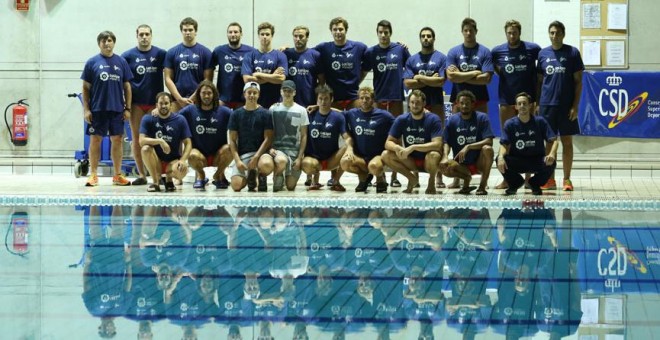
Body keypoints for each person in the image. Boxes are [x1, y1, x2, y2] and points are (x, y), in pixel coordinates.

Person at [491, 19, 541, 189]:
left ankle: (528, 178)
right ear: (506, 33)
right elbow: (492, 66)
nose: (512, 36)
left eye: (515, 33)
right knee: (507, 139)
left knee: (531, 138)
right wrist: (501, 73)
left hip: (528, 100)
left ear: (520, 33)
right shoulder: (498, 51)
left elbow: (541, 70)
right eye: (509, 33)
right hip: (506, 99)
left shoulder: (532, 49)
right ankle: (508, 179)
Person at [81, 30, 133, 187]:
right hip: (97, 109)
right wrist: (86, 109)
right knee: (95, 140)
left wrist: (128, 108)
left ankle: (117, 175)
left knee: (117, 140)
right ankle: (94, 174)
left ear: (114, 43)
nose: (106, 43)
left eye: (109, 40)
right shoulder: (92, 62)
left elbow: (127, 87)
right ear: (99, 44)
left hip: (117, 109)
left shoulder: (121, 62)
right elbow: (85, 87)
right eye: (103, 40)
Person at [537, 20, 584, 191]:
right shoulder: (542, 54)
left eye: (557, 33)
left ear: (563, 34)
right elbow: (539, 82)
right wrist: (537, 103)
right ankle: (550, 179)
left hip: (565, 106)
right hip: (546, 106)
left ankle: (567, 179)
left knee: (567, 142)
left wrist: (575, 106)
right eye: (551, 33)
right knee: (549, 143)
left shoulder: (572, 53)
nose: (554, 36)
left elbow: (578, 82)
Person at [121, 24, 167, 186]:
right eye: (141, 34)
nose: (144, 37)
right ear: (137, 36)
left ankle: (159, 174)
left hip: (155, 105)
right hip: (136, 105)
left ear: (151, 35)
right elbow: (123, 83)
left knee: (157, 139)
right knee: (137, 139)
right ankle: (141, 174)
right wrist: (125, 105)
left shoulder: (161, 54)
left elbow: (170, 75)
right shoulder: (127, 56)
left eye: (147, 34)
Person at [403, 26, 448, 188]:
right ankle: (414, 175)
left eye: (429, 36)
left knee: (438, 138)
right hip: (415, 104)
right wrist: (431, 79)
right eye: (423, 36)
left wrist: (419, 77)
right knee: (414, 136)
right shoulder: (412, 60)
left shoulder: (441, 58)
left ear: (433, 39)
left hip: (435, 103)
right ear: (420, 39)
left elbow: (441, 81)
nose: (426, 38)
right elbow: (408, 83)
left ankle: (439, 177)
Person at [382, 90, 443, 194]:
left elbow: (437, 145)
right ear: (409, 103)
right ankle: (411, 179)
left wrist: (413, 147)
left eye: (418, 103)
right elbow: (388, 143)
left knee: (434, 155)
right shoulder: (402, 119)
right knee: (385, 155)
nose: (415, 105)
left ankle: (431, 182)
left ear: (424, 104)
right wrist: (397, 148)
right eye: (412, 102)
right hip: (410, 160)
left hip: (428, 161)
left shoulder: (433, 119)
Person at [497, 92, 558, 195]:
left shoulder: (540, 122)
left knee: (552, 163)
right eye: (519, 104)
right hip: (517, 161)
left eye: (524, 103)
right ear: (515, 107)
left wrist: (551, 154)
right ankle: (515, 183)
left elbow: (554, 141)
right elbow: (504, 144)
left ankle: (534, 183)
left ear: (530, 105)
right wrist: (500, 157)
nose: (522, 106)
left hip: (536, 160)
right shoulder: (510, 124)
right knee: (499, 160)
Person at [177, 80, 233, 190]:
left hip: (219, 155)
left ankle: (219, 175)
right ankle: (201, 175)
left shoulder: (225, 112)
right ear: (199, 94)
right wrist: (157, 111)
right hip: (199, 156)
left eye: (209, 93)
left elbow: (240, 117)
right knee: (191, 154)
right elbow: (173, 119)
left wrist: (255, 107)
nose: (206, 96)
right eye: (203, 93)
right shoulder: (190, 110)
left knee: (230, 148)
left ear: (214, 95)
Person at [341, 87, 394, 193]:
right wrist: (317, 107)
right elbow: (334, 113)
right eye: (362, 98)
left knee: (374, 166)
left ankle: (380, 179)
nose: (364, 101)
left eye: (367, 98)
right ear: (358, 100)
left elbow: (400, 122)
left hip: (377, 157)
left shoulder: (384, 115)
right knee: (345, 163)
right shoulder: (352, 114)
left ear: (373, 100)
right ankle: (363, 177)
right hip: (360, 157)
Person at [440, 90, 494, 195]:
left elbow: (489, 141)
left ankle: (482, 186)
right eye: (462, 103)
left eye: (467, 103)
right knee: (444, 167)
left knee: (488, 149)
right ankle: (466, 179)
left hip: (479, 163)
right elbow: (446, 142)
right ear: (457, 104)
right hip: (461, 165)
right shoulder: (452, 120)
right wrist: (445, 156)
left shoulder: (482, 118)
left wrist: (468, 146)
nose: (464, 106)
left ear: (473, 104)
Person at [139, 92, 192, 192]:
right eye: (161, 103)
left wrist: (183, 160)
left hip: (172, 162)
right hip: (155, 161)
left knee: (183, 171)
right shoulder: (148, 119)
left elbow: (188, 143)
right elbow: (141, 141)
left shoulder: (180, 120)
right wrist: (160, 141)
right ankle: (155, 182)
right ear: (156, 105)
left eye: (166, 103)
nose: (163, 106)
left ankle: (169, 179)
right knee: (145, 149)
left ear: (171, 105)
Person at [228, 82, 275, 192]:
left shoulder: (266, 113)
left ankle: (259, 175)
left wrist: (256, 157)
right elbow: (232, 140)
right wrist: (238, 161)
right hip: (243, 154)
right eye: (249, 92)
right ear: (244, 94)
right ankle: (251, 175)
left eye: (255, 93)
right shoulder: (236, 114)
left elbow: (268, 138)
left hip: (261, 154)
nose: (252, 95)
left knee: (266, 164)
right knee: (236, 186)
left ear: (258, 95)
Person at [302, 84, 349, 191]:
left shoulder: (338, 117)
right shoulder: (309, 114)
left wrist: (350, 147)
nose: (323, 101)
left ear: (331, 99)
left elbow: (347, 137)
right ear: (317, 100)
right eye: (320, 99)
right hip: (313, 160)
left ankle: (336, 181)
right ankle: (315, 181)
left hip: (331, 160)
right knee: (306, 164)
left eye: (326, 98)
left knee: (349, 145)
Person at [314, 17, 368, 110]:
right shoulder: (323, 48)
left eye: (340, 29)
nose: (338, 32)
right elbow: (305, 53)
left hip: (353, 98)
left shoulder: (359, 47)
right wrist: (286, 49)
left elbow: (376, 54)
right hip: (333, 99)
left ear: (346, 30)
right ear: (331, 31)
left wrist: (398, 47)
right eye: (335, 29)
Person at [164, 17, 213, 112]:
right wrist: (179, 99)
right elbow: (167, 78)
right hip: (176, 101)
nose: (187, 32)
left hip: (198, 100)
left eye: (190, 30)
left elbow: (208, 80)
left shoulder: (205, 52)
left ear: (196, 31)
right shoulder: (172, 52)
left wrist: (193, 97)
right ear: (181, 32)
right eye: (185, 30)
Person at [267, 80, 309, 192]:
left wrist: (300, 157)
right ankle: (278, 174)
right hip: (278, 150)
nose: (287, 93)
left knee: (290, 187)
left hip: (294, 151)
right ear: (281, 92)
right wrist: (270, 147)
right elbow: (269, 132)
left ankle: (285, 176)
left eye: (290, 91)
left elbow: (304, 136)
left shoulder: (302, 110)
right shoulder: (273, 109)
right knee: (281, 161)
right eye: (285, 91)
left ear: (294, 92)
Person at [446, 18, 493, 113]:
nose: (468, 33)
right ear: (462, 32)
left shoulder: (485, 51)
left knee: (481, 127)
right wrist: (475, 73)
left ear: (476, 31)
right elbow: (451, 76)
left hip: (479, 99)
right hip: (458, 100)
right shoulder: (453, 52)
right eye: (465, 30)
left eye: (471, 30)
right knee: (457, 127)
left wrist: (460, 75)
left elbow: (486, 79)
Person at [364, 19, 410, 117]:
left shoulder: (400, 49)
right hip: (379, 96)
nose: (383, 35)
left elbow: (411, 68)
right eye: (380, 32)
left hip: (396, 97)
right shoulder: (371, 52)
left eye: (386, 32)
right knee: (379, 127)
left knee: (397, 127)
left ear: (390, 33)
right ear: (377, 33)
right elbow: (362, 71)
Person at [242, 22, 288, 108]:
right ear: (258, 36)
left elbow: (281, 79)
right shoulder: (249, 55)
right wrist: (273, 76)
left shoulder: (280, 55)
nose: (264, 37)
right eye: (262, 34)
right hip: (254, 103)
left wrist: (258, 75)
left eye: (267, 34)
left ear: (272, 36)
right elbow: (247, 80)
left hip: (276, 103)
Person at [211, 22, 257, 109]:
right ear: (227, 34)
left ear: (241, 34)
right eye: (230, 32)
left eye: (236, 32)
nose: (233, 34)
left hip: (243, 100)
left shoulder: (251, 52)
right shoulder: (219, 51)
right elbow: (209, 69)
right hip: (223, 100)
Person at [283, 25, 325, 107]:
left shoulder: (315, 55)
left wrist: (318, 102)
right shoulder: (285, 54)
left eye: (301, 36)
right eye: (295, 36)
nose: (298, 39)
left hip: (309, 103)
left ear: (307, 37)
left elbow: (322, 81)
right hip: (288, 103)